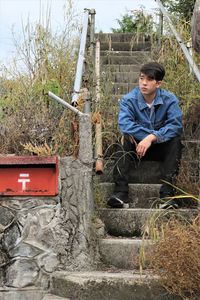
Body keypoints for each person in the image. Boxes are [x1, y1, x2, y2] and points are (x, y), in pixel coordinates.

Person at [107, 61, 183, 209]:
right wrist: (147, 137)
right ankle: (120, 193)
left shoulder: (169, 99)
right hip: (137, 149)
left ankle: (167, 195)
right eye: (141, 78)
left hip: (160, 148)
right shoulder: (129, 100)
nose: (144, 83)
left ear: (158, 83)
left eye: (149, 79)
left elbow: (176, 126)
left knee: (176, 141)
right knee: (123, 139)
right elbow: (125, 124)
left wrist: (152, 137)